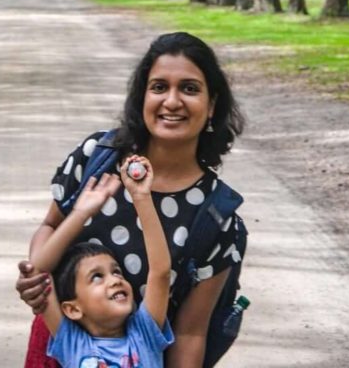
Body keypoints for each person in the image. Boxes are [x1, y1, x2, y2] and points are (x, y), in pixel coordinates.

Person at [16, 32, 245, 368]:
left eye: (190, 88)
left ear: (211, 105)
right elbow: (50, 225)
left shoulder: (216, 216)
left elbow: (191, 334)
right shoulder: (97, 157)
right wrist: (37, 281)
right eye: (159, 87)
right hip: (59, 348)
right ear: (142, 97)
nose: (172, 101)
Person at [33, 156, 173, 368]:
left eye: (116, 272)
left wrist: (141, 197)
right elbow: (39, 272)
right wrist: (81, 213)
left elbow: (160, 273)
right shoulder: (72, 342)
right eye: (97, 276)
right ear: (73, 309)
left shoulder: (145, 334)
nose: (115, 280)